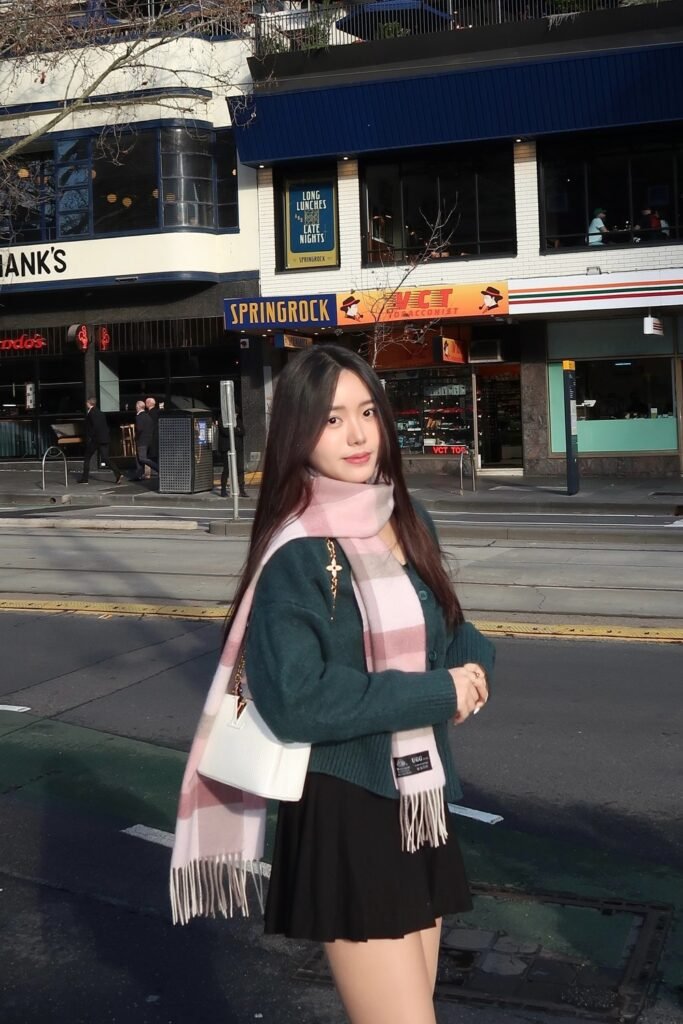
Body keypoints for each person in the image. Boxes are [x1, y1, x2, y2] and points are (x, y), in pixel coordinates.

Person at [171, 345, 495, 1024]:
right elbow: (298, 700)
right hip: (348, 809)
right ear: (299, 432)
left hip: (420, 800)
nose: (356, 435)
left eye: (367, 413)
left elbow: (450, 625)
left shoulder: (404, 517)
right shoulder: (297, 551)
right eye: (332, 419)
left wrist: (473, 672)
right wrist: (439, 693)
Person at [77, 397, 121, 484]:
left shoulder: (91, 413)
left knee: (87, 457)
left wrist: (90, 436)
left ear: (89, 403)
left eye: (86, 402)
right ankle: (118, 473)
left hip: (96, 439)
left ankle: (85, 479)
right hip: (104, 438)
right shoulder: (101, 413)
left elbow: (94, 427)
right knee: (106, 458)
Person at [217, 408, 247, 498]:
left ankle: (242, 489)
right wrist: (236, 429)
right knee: (226, 469)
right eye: (235, 413)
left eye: (236, 414)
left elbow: (243, 431)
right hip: (226, 447)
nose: (236, 415)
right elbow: (225, 432)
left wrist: (233, 430)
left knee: (240, 468)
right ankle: (223, 489)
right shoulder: (222, 419)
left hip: (238, 447)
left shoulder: (238, 420)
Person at [133, 399, 158, 480]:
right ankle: (138, 475)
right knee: (138, 458)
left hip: (142, 440)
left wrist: (136, 436)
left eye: (136, 406)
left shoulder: (139, 416)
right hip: (149, 440)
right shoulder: (148, 416)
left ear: (138, 407)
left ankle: (157, 467)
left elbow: (139, 428)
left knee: (142, 458)